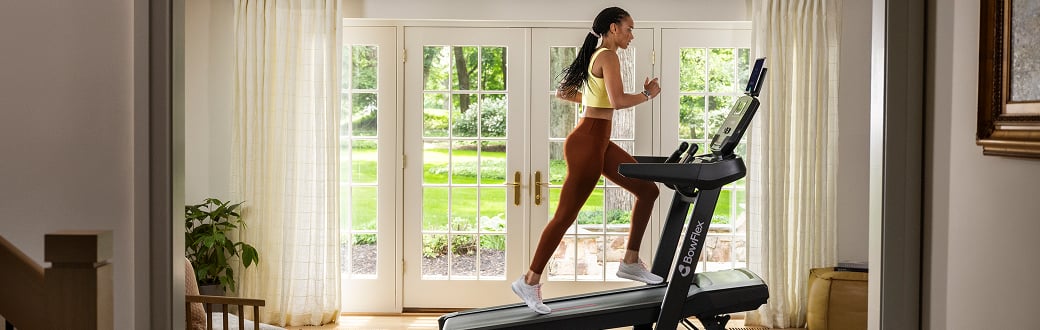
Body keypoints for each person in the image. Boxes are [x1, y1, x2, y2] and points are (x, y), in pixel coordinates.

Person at [511, 6, 663, 315]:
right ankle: (529, 280)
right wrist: (648, 95)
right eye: (629, 28)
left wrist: (597, 100)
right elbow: (618, 101)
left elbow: (564, 93)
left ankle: (630, 261)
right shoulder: (607, 56)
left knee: (648, 190)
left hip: (598, 141)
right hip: (587, 143)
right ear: (612, 28)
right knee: (565, 216)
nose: (632, 34)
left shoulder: (596, 55)